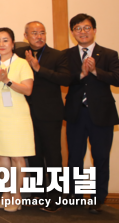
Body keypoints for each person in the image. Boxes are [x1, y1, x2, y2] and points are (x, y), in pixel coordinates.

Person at [64, 14, 119, 215]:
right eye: (78, 28)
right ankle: (76, 196)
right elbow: (64, 79)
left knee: (101, 157)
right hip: (76, 114)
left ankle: (98, 198)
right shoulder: (67, 55)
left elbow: (117, 78)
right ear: (73, 33)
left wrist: (96, 72)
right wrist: (80, 74)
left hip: (102, 115)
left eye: (87, 28)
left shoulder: (109, 54)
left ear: (94, 30)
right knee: (75, 158)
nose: (82, 32)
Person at [15, 21, 69, 212]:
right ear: (25, 36)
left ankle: (55, 197)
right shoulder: (19, 55)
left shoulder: (58, 55)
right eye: (34, 33)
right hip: (26, 113)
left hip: (50, 113)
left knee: (53, 155)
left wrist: (39, 69)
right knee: (34, 155)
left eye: (42, 33)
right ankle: (38, 192)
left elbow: (65, 79)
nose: (39, 36)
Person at [0, 27, 34, 212]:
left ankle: (17, 195)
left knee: (17, 156)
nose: (2, 44)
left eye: (6, 40)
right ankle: (5, 193)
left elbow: (28, 89)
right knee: (2, 155)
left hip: (17, 115)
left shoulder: (21, 64)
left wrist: (7, 81)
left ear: (13, 43)